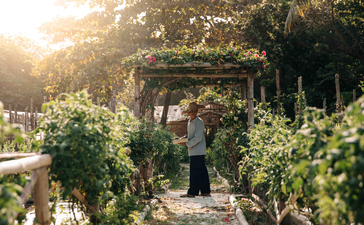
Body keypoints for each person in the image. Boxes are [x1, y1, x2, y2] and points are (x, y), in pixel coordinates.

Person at [179, 102, 211, 198]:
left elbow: (198, 138)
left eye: (195, 111)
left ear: (197, 112)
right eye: (191, 111)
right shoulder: (190, 121)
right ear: (189, 113)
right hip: (194, 150)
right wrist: (182, 139)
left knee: (195, 172)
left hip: (198, 150)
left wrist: (186, 143)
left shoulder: (199, 122)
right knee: (202, 172)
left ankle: (192, 192)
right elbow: (190, 136)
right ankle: (205, 191)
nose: (193, 113)